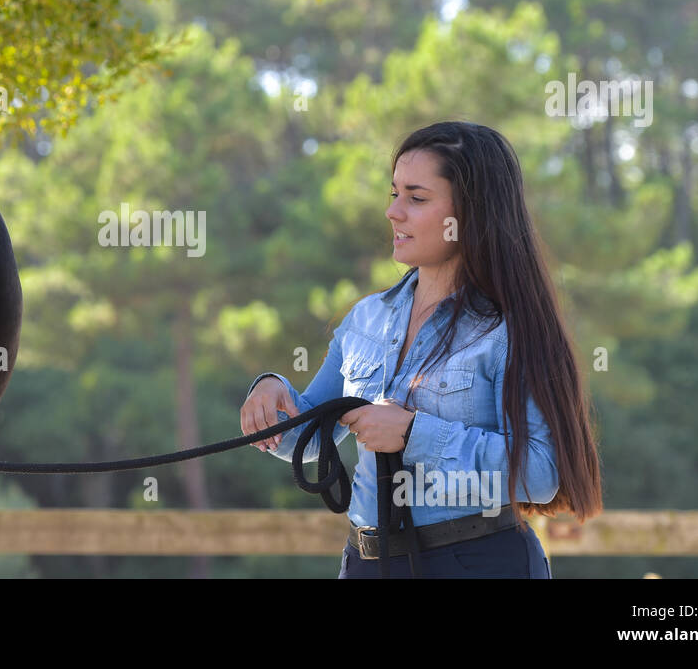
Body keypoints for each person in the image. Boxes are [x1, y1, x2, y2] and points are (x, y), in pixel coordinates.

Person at [239, 121, 603, 578]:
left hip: (479, 564)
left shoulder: (511, 328)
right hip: (367, 564)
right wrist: (271, 392)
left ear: (470, 213)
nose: (394, 212)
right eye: (393, 194)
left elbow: (542, 472)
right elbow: (307, 440)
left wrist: (415, 434)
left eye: (416, 197)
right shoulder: (365, 319)